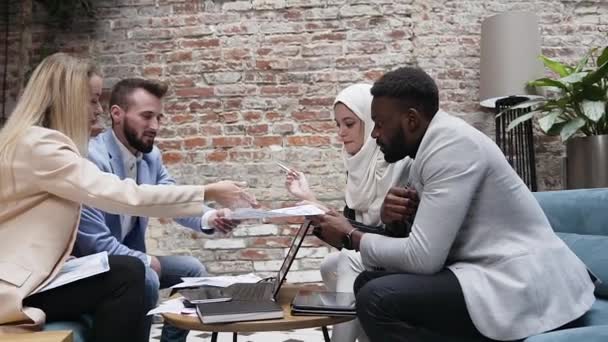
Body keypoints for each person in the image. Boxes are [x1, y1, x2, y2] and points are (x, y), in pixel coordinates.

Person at [311, 67, 595, 341]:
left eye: (380, 124)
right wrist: (394, 222)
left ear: (411, 120)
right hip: (480, 269)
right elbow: (426, 242)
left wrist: (352, 236)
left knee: (378, 298)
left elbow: (423, 259)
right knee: (367, 284)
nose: (375, 134)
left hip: (523, 282)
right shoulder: (426, 149)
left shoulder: (452, 147)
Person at [0, 53, 255, 341]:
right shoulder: (43, 146)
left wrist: (209, 215)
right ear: (68, 98)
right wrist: (208, 190)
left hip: (43, 273)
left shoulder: (35, 141)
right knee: (132, 273)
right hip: (19, 284)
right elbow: (121, 195)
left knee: (162, 269)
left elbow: (162, 193)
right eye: (92, 99)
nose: (98, 110)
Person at [74, 78, 237, 342]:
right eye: (147, 116)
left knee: (193, 270)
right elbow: (95, 243)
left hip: (128, 258)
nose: (155, 126)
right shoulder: (92, 158)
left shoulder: (151, 156)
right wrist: (146, 261)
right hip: (92, 266)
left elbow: (169, 198)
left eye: (159, 117)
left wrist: (210, 216)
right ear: (117, 114)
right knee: (146, 276)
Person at [285, 83, 413, 342]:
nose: (341, 133)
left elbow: (386, 232)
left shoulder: (396, 161)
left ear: (368, 121)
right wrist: (307, 199)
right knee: (329, 266)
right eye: (338, 125)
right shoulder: (357, 165)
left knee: (348, 261)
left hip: (403, 254)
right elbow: (351, 226)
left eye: (349, 124)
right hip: (374, 250)